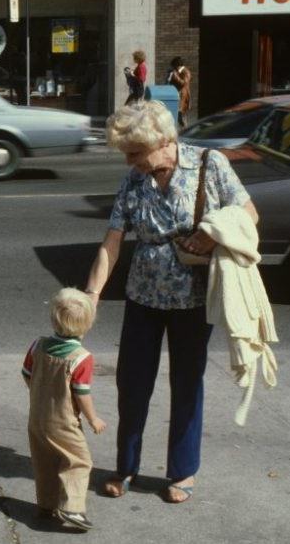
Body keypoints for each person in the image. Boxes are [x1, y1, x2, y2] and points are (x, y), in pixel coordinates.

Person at [85, 100, 257, 504]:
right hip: (142, 296)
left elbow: (248, 213)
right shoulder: (133, 180)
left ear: (163, 141)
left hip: (194, 298)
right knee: (133, 383)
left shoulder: (208, 165)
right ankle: (126, 466)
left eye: (135, 153)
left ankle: (182, 471)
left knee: (186, 384)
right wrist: (92, 294)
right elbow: (112, 242)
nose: (129, 161)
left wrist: (211, 236)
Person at [23, 288, 106, 531]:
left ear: (53, 319)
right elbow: (81, 394)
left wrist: (40, 392)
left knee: (44, 460)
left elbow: (26, 374)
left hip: (36, 417)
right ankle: (72, 509)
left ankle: (46, 505)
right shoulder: (81, 357)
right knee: (78, 461)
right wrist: (93, 419)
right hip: (63, 421)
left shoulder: (38, 345)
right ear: (88, 325)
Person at [167, 57, 193, 127]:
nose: (174, 68)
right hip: (177, 95)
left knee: (182, 116)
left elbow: (184, 83)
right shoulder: (177, 72)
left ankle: (185, 132)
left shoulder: (186, 72)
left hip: (183, 97)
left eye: (174, 66)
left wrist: (175, 76)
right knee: (178, 116)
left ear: (177, 65)